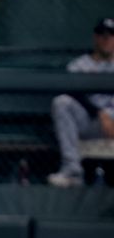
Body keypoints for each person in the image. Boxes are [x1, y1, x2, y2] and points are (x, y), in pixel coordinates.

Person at [48, 17, 114, 187]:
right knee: (61, 103)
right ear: (96, 38)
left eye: (111, 35)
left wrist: (110, 116)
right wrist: (100, 113)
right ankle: (72, 171)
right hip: (91, 123)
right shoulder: (79, 65)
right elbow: (73, 92)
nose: (107, 39)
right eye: (103, 35)